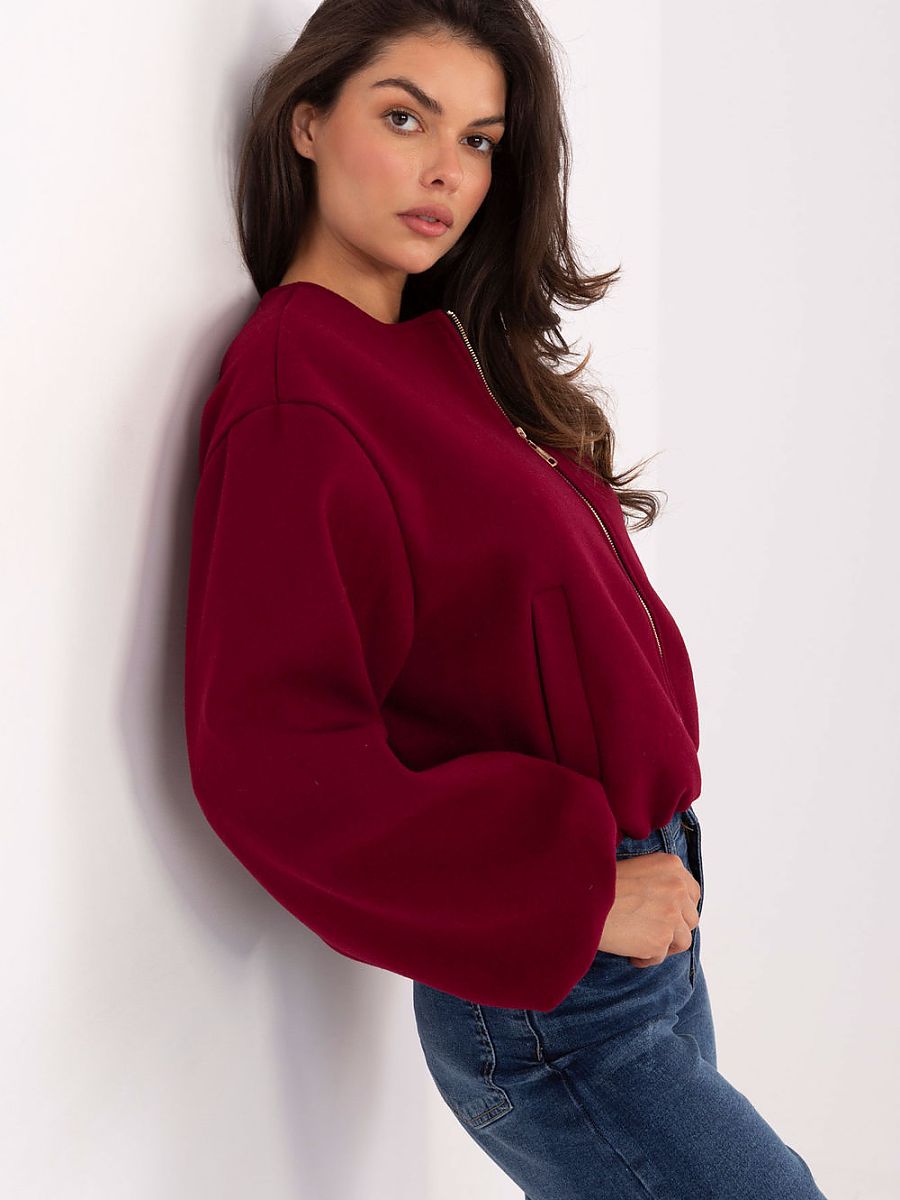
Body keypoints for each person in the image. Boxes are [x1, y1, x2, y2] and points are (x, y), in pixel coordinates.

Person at [183, 2, 829, 1196]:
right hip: (559, 989)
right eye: (405, 118)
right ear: (307, 122)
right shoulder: (297, 387)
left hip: (639, 939)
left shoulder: (439, 358)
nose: (448, 170)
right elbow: (268, 755)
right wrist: (571, 895)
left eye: (479, 139)